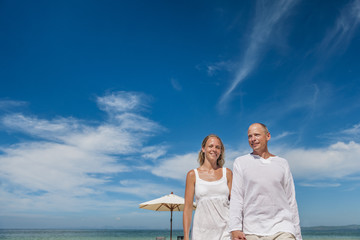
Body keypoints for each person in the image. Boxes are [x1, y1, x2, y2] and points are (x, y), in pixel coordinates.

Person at [229, 123, 302, 240]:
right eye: (249, 136)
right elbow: (237, 198)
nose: (253, 139)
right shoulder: (241, 162)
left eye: (257, 135)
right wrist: (235, 228)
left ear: (268, 136)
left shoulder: (282, 163)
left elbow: (291, 200)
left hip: (283, 228)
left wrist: (297, 236)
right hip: (251, 230)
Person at [183, 134, 233, 240]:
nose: (214, 149)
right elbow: (187, 208)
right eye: (210, 146)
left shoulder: (227, 173)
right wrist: (186, 237)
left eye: (217, 147)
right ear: (203, 149)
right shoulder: (192, 175)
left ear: (220, 151)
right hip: (201, 233)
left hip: (226, 233)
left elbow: (235, 204)